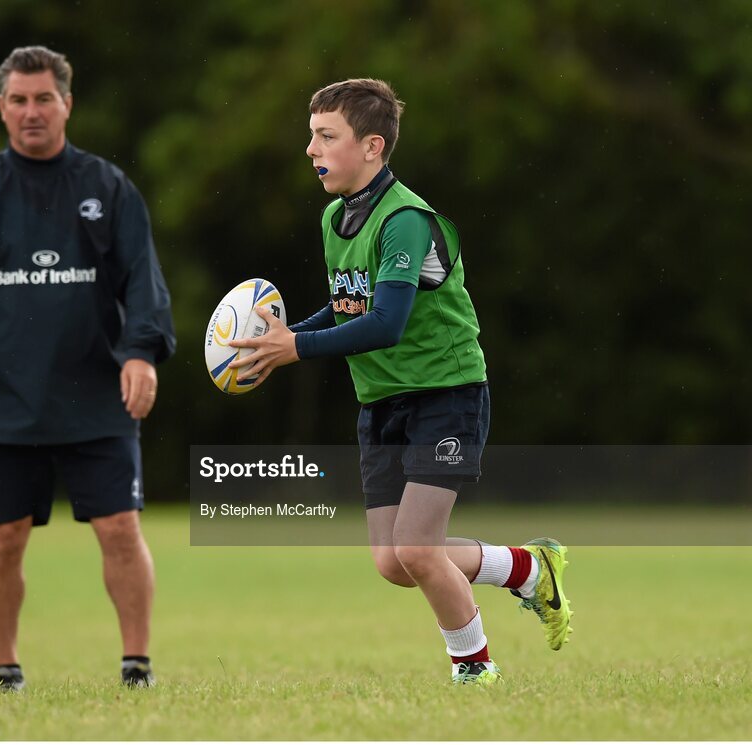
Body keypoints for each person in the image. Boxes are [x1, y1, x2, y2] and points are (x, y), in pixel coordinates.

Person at [228, 79, 573, 684]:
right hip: (381, 401)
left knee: (417, 549)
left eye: (326, 137)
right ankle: (526, 568)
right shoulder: (336, 216)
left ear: (372, 146)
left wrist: (295, 349)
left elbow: (386, 324)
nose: (311, 149)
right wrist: (274, 343)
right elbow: (349, 309)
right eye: (311, 136)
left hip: (446, 395)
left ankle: (476, 669)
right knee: (393, 561)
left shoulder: (406, 220)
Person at [0, 46, 174, 691]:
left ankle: (137, 665)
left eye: (43, 98)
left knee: (120, 530)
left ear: (67, 103)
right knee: (3, 540)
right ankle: (5, 669)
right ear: (0, 108)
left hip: (97, 394)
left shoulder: (108, 189)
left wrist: (140, 351)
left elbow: (143, 282)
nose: (31, 112)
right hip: (1, 399)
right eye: (18, 100)